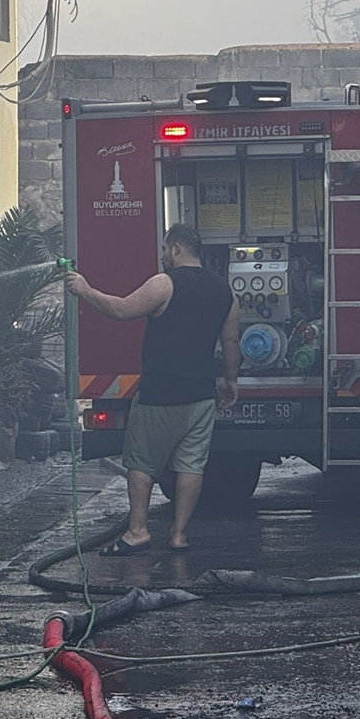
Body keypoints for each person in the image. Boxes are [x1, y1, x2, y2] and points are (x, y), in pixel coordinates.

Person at [65, 223, 239, 554]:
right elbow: (230, 341)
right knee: (191, 465)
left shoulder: (164, 284)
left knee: (142, 463)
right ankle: (178, 535)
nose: (162, 255)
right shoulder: (225, 291)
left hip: (160, 393)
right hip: (202, 396)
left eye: (164, 248)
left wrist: (84, 289)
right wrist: (231, 380)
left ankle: (138, 532)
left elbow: (120, 310)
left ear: (176, 248)